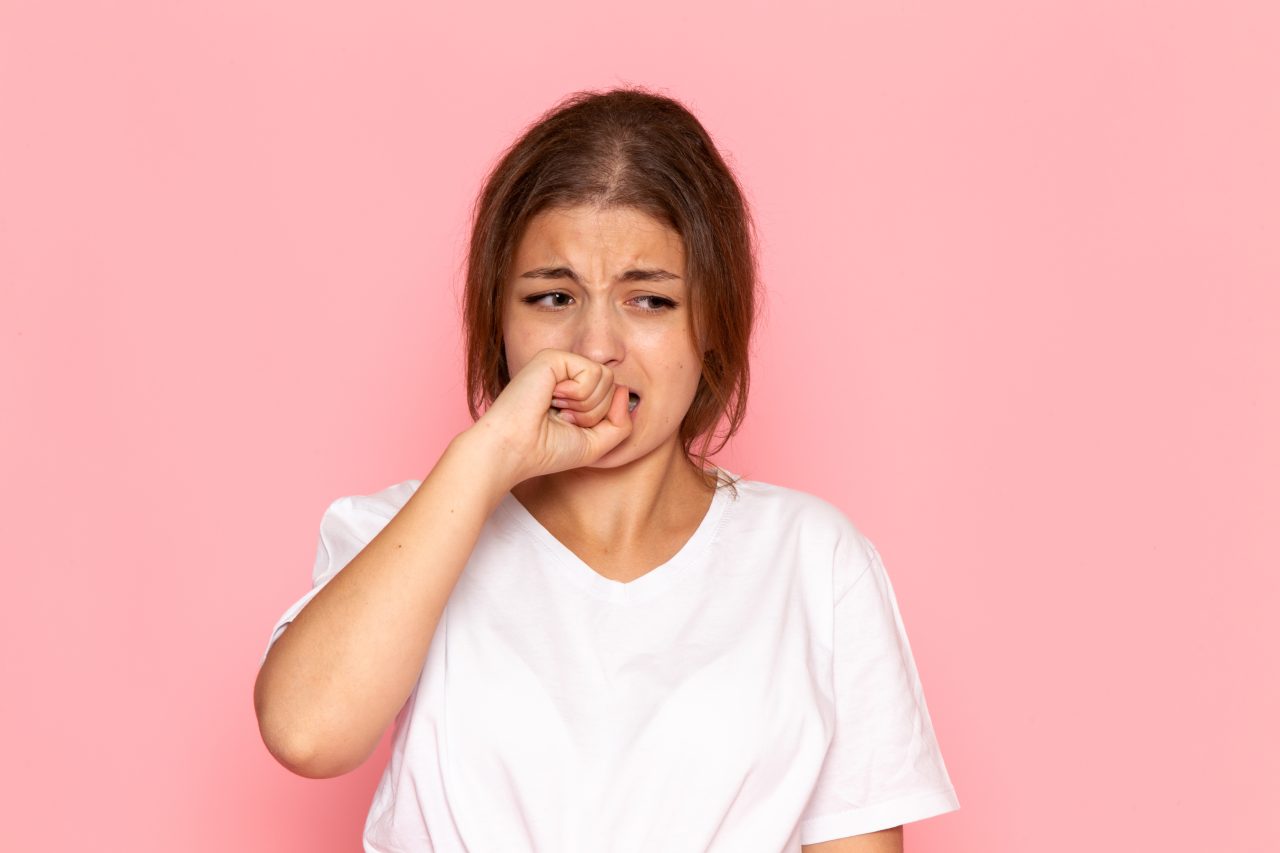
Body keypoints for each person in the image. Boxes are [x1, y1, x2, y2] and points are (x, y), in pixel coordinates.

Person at [253, 86, 959, 852]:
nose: (595, 346)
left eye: (649, 300)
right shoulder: (408, 532)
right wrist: (485, 455)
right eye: (553, 296)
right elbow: (305, 731)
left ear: (714, 322)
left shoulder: (814, 562)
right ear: (498, 320)